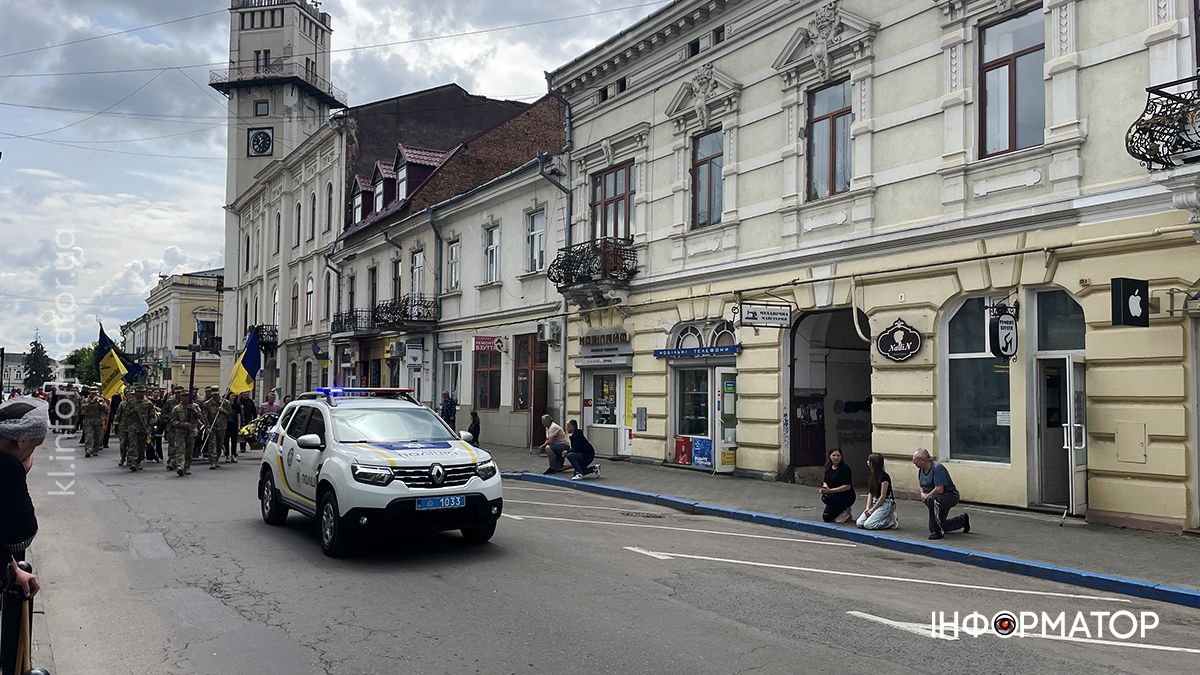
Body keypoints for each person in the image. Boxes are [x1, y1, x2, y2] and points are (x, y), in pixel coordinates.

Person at [0, 397, 47, 600]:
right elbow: (21, 537)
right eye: (33, 447)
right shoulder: (6, 465)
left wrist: (12, 568)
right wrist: (21, 472)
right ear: (22, 441)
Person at [912, 448, 971, 540]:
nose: (913, 462)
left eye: (914, 459)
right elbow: (921, 486)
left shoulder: (937, 468)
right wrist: (922, 493)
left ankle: (938, 532)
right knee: (935, 525)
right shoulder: (921, 471)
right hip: (936, 498)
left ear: (922, 460)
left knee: (932, 501)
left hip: (949, 496)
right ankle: (962, 520)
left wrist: (928, 496)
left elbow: (939, 489)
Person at [856, 453, 898, 530]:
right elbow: (871, 493)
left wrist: (872, 510)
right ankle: (881, 517)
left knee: (869, 525)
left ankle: (891, 520)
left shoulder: (884, 477)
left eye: (869, 461)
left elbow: (882, 496)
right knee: (860, 523)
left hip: (884, 503)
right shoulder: (872, 475)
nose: (867, 462)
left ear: (874, 463)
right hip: (874, 501)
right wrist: (868, 508)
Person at [117, 387, 153, 472]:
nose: (141, 393)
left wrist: (151, 425)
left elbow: (151, 416)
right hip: (132, 427)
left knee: (141, 446)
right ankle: (132, 462)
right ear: (136, 392)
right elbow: (125, 415)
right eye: (139, 392)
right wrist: (133, 410)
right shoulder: (129, 404)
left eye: (142, 392)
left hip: (143, 427)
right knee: (133, 445)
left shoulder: (148, 403)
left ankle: (138, 461)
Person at [168, 390, 202, 477]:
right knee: (180, 450)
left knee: (189, 451)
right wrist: (182, 424)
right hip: (180, 432)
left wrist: (194, 410)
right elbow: (172, 421)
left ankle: (187, 466)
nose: (185, 398)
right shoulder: (177, 408)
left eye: (187, 396)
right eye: (183, 396)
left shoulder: (195, 406)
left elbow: (200, 417)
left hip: (191, 432)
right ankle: (180, 466)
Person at [819, 448, 856, 523]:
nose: (836, 458)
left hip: (845, 495)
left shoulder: (845, 468)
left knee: (829, 498)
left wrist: (830, 491)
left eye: (838, 456)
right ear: (830, 456)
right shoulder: (828, 468)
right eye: (834, 455)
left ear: (841, 457)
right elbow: (825, 481)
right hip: (833, 495)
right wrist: (825, 488)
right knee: (827, 517)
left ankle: (845, 510)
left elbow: (847, 486)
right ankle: (839, 511)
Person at [202, 387, 232, 468]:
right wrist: (207, 427)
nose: (215, 395)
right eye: (213, 393)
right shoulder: (207, 404)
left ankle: (216, 459)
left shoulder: (225, 403)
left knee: (219, 444)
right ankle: (212, 461)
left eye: (216, 393)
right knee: (212, 444)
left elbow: (230, 415)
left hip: (222, 427)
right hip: (212, 427)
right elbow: (204, 416)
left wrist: (222, 411)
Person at [81, 389, 108, 459]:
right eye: (92, 393)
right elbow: (83, 409)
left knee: (98, 437)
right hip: (88, 421)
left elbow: (106, 409)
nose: (94, 395)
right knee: (88, 436)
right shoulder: (85, 400)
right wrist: (91, 402)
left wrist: (100, 404)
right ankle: (88, 450)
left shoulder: (101, 400)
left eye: (95, 393)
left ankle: (95, 450)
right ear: (89, 393)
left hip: (98, 421)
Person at [225, 392, 240, 461]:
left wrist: (239, 425)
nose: (233, 397)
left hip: (234, 425)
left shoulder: (237, 405)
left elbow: (238, 415)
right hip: (226, 424)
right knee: (226, 440)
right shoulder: (225, 404)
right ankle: (227, 455)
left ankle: (233, 454)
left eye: (234, 396)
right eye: (232, 395)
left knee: (234, 440)